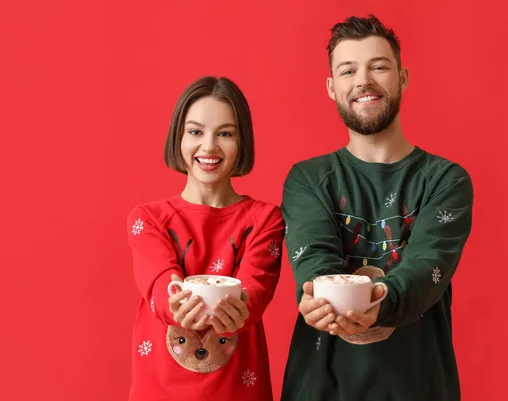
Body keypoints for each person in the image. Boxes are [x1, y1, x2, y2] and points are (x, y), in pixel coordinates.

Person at [280, 15, 474, 401]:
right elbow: (314, 260)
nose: (363, 81)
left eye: (378, 66)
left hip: (417, 385)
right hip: (319, 385)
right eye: (348, 70)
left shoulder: (445, 180)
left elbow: (425, 268)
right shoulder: (307, 179)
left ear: (402, 78)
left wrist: (374, 302)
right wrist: (319, 298)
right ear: (332, 89)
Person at [126, 76, 284, 401]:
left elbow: (257, 286)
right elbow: (159, 284)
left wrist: (243, 308)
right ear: (178, 138)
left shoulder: (265, 219)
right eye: (195, 132)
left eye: (224, 133)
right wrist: (176, 305)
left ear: (242, 142)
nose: (209, 146)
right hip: (159, 390)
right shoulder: (148, 219)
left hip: (238, 390)